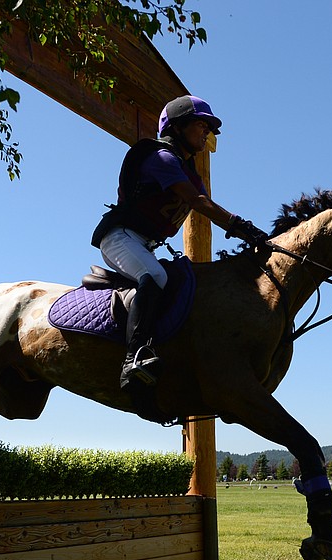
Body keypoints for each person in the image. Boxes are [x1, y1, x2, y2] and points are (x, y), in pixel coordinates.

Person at [91, 95, 270, 389]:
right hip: (119, 237)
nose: (206, 133)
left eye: (208, 129)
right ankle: (133, 359)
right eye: (201, 126)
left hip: (143, 243)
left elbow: (203, 200)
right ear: (178, 127)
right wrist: (241, 226)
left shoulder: (189, 173)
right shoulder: (161, 158)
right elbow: (198, 202)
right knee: (155, 276)